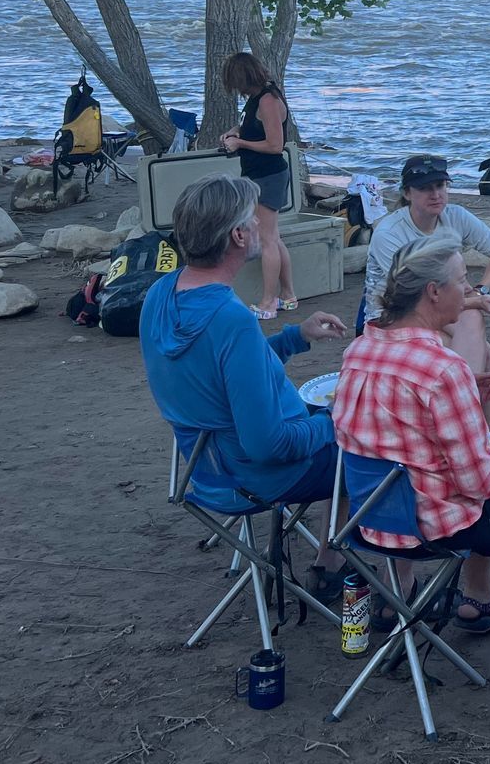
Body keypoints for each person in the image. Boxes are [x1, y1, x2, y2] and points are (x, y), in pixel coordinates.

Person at [333, 242, 490, 633]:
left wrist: (468, 395)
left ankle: (481, 599)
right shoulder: (442, 369)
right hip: (433, 528)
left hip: (372, 522)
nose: (470, 292)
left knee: (477, 464)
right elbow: (481, 483)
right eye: (462, 281)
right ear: (433, 292)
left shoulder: (359, 349)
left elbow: (394, 433)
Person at [139, 174, 352, 595]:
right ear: (237, 235)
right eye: (254, 221)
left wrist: (296, 337)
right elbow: (269, 445)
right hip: (255, 474)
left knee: (337, 427)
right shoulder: (227, 317)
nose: (261, 227)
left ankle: (332, 557)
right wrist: (337, 421)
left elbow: (220, 375)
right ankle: (345, 572)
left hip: (204, 468)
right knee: (373, 446)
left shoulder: (162, 293)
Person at [356, 154, 490, 403]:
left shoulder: (455, 216)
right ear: (407, 193)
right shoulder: (389, 233)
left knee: (481, 344)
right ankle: (460, 408)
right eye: (424, 188)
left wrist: (482, 290)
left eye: (440, 186)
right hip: (393, 317)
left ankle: (483, 431)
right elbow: (411, 298)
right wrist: (476, 301)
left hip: (439, 308)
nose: (435, 194)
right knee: (479, 344)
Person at [219, 52, 296, 320]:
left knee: (267, 241)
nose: (236, 90)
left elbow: (276, 146)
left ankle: (268, 302)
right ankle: (288, 295)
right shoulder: (255, 100)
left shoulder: (268, 101)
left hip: (269, 175)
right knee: (274, 237)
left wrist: (240, 144)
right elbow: (251, 128)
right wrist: (235, 133)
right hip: (256, 174)